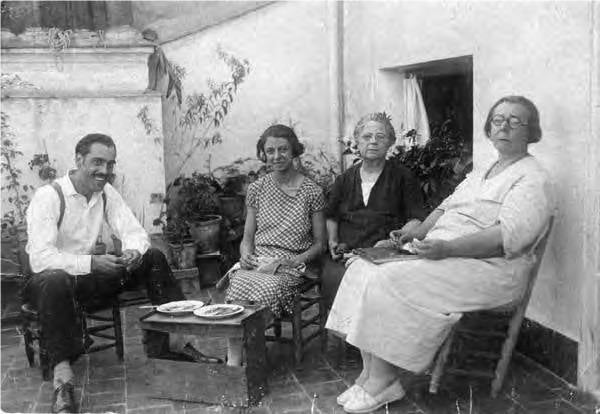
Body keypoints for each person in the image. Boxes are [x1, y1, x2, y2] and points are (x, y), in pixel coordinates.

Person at [326, 96, 554, 413]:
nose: (504, 126)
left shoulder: (533, 178)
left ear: (532, 131)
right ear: (489, 128)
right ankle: (370, 376)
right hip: (448, 254)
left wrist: (447, 248)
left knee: (388, 277)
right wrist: (416, 233)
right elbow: (446, 207)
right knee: (362, 268)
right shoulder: (483, 170)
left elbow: (505, 238)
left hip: (490, 267)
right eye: (498, 119)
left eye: (516, 121)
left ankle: (383, 381)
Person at [24, 133, 187, 413]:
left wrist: (134, 251)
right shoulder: (49, 196)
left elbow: (134, 231)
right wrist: (92, 263)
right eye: (97, 162)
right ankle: (62, 383)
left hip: (85, 282)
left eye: (110, 164)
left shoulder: (105, 193)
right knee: (55, 279)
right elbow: (41, 259)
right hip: (47, 285)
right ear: (78, 160)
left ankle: (169, 344)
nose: (104, 171)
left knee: (154, 257)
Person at [224, 124, 326, 365]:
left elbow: (320, 244)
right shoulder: (257, 189)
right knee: (237, 284)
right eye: (270, 151)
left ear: (294, 152)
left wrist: (295, 260)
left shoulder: (312, 191)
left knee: (268, 288)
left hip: (293, 264)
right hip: (259, 260)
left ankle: (253, 357)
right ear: (263, 153)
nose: (276, 156)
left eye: (283, 149)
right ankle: (235, 360)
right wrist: (246, 254)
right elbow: (247, 238)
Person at [323, 112, 427, 308]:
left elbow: (417, 219)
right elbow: (331, 216)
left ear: (390, 143)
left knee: (378, 294)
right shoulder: (344, 179)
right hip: (346, 253)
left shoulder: (404, 177)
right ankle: (341, 336)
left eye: (380, 137)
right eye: (367, 137)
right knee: (337, 285)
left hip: (385, 255)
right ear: (357, 142)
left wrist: (394, 241)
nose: (373, 142)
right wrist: (333, 241)